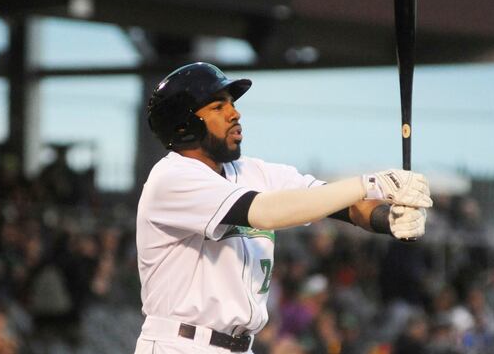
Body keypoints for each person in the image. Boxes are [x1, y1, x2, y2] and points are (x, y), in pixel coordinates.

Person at [134, 62, 432, 353]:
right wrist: (369, 182)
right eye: (217, 107)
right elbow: (264, 212)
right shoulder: (171, 177)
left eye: (231, 104)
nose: (234, 114)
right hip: (179, 343)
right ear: (184, 125)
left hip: (240, 346)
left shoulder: (254, 171)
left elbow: (344, 205)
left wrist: (388, 218)